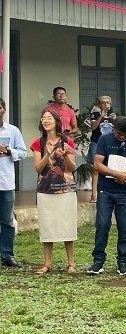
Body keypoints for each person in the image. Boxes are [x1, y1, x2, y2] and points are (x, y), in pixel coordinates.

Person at [86, 117, 126, 276]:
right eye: (118, 134)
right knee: (103, 224)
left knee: (125, 227)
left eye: (125, 135)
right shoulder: (104, 139)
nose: (121, 137)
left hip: (125, 191)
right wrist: (116, 174)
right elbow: (97, 164)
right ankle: (98, 262)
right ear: (113, 129)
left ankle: (123, 262)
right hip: (106, 190)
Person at [30, 110, 78, 274]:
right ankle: (47, 263)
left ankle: (71, 263)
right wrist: (48, 155)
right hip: (45, 189)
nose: (45, 120)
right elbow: (38, 168)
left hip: (65, 189)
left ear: (57, 121)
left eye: (49, 118)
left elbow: (72, 168)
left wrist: (65, 156)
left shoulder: (67, 141)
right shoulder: (38, 143)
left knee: (67, 224)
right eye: (43, 118)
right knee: (47, 225)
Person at [0, 98, 28, 269]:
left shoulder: (13, 131)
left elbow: (23, 153)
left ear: (4, 110)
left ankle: (7, 255)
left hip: (6, 182)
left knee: (7, 221)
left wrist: (9, 151)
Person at [86, 95, 116, 204]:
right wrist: (101, 116)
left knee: (109, 167)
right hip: (97, 142)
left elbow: (115, 131)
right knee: (96, 169)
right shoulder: (95, 113)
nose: (106, 105)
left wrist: (115, 120)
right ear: (100, 104)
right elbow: (93, 127)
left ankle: (109, 193)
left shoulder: (112, 115)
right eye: (104, 102)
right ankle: (94, 195)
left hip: (109, 144)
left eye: (108, 102)